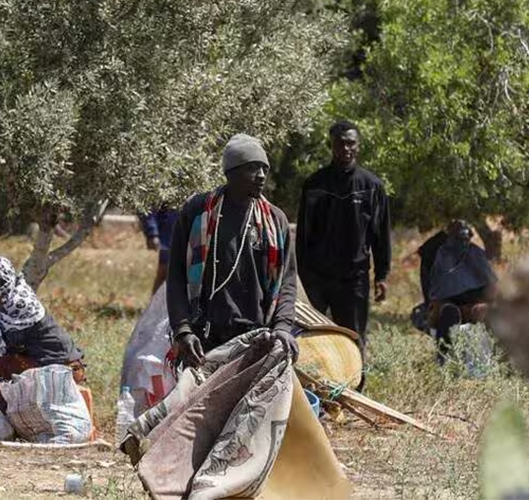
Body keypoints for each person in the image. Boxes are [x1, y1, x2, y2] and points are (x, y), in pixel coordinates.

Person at [166, 133, 299, 369]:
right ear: (231, 172)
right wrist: (183, 330)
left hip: (257, 338)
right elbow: (176, 275)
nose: (260, 176)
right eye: (252, 168)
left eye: (264, 169)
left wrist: (282, 327)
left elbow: (287, 282)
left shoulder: (275, 221)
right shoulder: (197, 212)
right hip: (203, 338)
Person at [296, 120, 391, 351]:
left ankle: (355, 385)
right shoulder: (314, 184)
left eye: (351, 143)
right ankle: (317, 386)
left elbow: (381, 234)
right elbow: (303, 235)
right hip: (317, 278)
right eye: (340, 143)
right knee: (312, 337)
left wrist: (382, 274)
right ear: (332, 146)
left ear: (358, 146)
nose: (346, 148)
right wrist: (300, 275)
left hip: (354, 279)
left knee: (354, 338)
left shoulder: (372, 186)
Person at [0, 256, 85, 410]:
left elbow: (1, 350)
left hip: (60, 369)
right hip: (63, 363)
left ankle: (1, 410)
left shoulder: (17, 305)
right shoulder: (18, 292)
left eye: (0, 283)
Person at [417, 220, 497, 361]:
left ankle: (495, 360)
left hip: (471, 305)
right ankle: (443, 358)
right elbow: (436, 289)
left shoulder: (475, 253)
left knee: (486, 313)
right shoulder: (443, 254)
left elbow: (490, 285)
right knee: (447, 314)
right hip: (449, 304)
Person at [138, 207, 178, 294]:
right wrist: (152, 232)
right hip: (170, 232)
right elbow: (150, 207)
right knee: (165, 271)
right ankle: (156, 305)